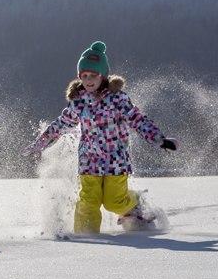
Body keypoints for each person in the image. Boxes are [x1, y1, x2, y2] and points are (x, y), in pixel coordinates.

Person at [23, 40, 176, 234]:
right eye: (84, 75)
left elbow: (137, 119)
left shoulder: (118, 99)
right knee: (88, 201)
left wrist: (159, 139)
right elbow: (61, 124)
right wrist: (41, 144)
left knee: (114, 201)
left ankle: (136, 203)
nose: (88, 80)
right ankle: (85, 239)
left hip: (116, 161)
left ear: (102, 76)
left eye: (93, 75)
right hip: (89, 161)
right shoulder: (78, 102)